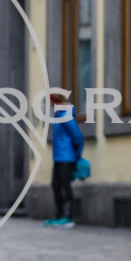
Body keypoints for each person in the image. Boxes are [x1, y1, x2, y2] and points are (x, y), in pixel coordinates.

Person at [45, 92, 83, 227]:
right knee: (55, 185)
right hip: (59, 157)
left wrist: (77, 156)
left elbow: (77, 137)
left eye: (51, 102)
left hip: (67, 158)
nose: (50, 105)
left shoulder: (65, 116)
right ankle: (59, 214)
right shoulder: (58, 116)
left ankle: (68, 217)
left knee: (65, 186)